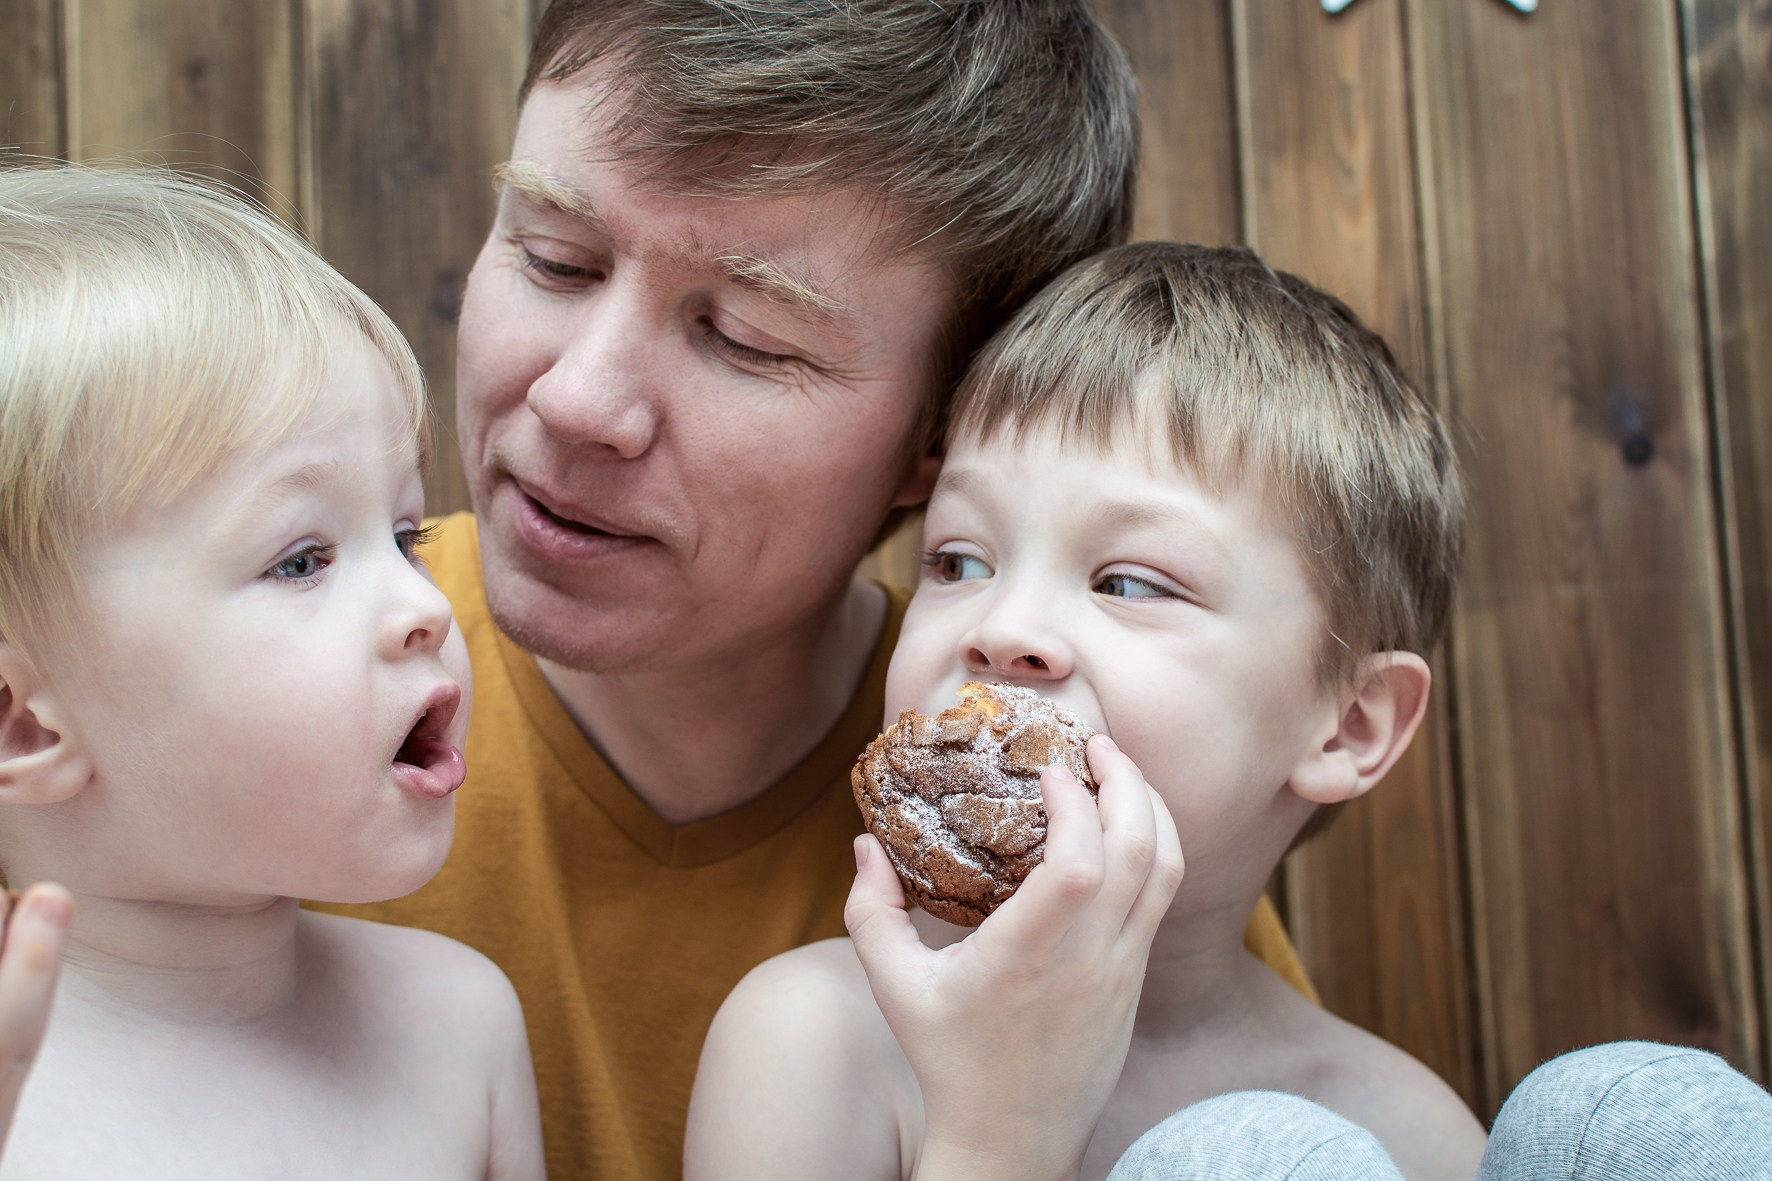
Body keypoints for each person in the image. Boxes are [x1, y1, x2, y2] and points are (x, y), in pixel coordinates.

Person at [321, 4, 1314, 1178]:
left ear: (933, 449)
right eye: (553, 256)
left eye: (744, 338)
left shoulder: (1058, 829)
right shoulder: (210, 691)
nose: (578, 398)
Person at [684, 240, 1490, 1180]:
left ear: (1349, 724)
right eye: (958, 561)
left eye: (1131, 581)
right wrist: (999, 1135)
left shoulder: (1408, 1131)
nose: (1003, 626)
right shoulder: (814, 1045)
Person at [0, 164, 544, 1179]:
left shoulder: (457, 1022)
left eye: (404, 532)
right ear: (25, 724)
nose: (427, 606)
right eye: (300, 559)